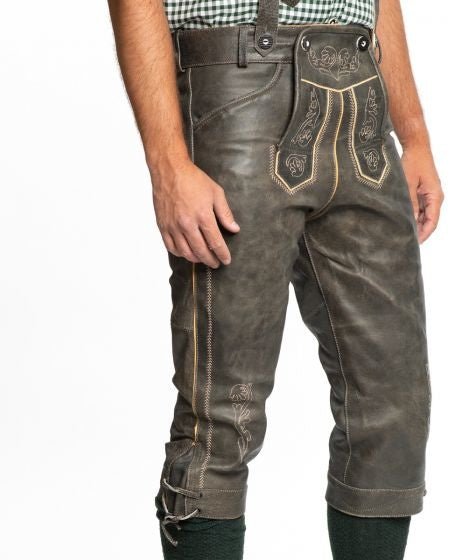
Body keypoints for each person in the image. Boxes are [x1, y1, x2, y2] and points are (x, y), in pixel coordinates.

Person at [107, 1, 444, 558]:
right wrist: (166, 161)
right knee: (224, 414)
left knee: (393, 405)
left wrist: (414, 135)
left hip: (363, 105)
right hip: (237, 89)